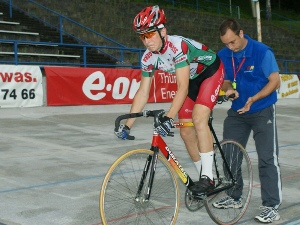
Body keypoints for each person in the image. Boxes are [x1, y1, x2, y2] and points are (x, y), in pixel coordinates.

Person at [114, 5, 224, 194]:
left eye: (149, 35)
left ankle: (209, 179)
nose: (146, 41)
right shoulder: (148, 58)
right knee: (186, 133)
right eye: (142, 36)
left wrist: (168, 117)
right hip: (191, 80)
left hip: (210, 72)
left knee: (198, 119)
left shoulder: (177, 47)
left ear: (162, 31)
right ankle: (201, 180)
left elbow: (182, 87)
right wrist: (128, 124)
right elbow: (143, 91)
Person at [214, 18, 282, 223]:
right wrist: (228, 89)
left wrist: (254, 99)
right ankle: (234, 196)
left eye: (233, 42)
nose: (230, 47)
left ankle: (271, 206)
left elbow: (275, 81)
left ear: (241, 33)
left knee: (267, 158)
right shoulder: (224, 54)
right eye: (226, 43)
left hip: (261, 109)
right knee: (230, 154)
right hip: (238, 112)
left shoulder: (262, 52)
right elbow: (225, 79)